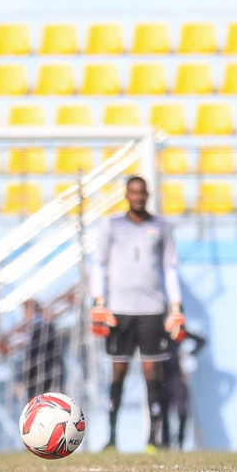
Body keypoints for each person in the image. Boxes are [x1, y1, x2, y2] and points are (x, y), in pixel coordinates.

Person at [90, 176, 183, 453]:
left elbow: (170, 268)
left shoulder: (162, 227)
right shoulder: (112, 225)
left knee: (151, 371)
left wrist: (176, 306)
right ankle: (111, 438)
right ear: (127, 195)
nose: (138, 197)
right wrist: (98, 301)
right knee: (118, 371)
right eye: (133, 192)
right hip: (119, 310)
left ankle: (154, 439)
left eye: (142, 193)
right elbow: (99, 264)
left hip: (152, 310)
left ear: (147, 195)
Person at [160, 327, 205, 450]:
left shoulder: (181, 333)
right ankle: (165, 443)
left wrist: (189, 354)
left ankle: (180, 442)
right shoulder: (160, 332)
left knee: (182, 411)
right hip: (163, 377)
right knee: (164, 412)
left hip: (178, 377)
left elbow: (201, 341)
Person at [19, 299, 61, 401]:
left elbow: (31, 356)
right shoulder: (46, 325)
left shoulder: (37, 328)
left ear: (29, 311)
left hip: (40, 378)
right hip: (51, 374)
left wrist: (22, 380)